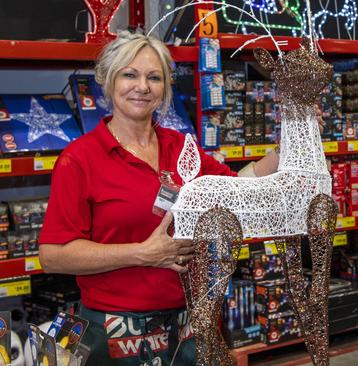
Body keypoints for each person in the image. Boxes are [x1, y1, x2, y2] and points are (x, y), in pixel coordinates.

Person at [38, 31, 279, 365]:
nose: (142, 86)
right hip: (115, 331)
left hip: (187, 324)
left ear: (165, 87)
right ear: (108, 81)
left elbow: (237, 188)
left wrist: (288, 148)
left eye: (154, 77)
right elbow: (53, 256)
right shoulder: (80, 159)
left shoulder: (180, 147)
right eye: (130, 74)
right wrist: (142, 254)